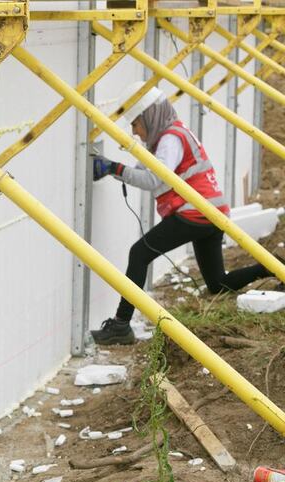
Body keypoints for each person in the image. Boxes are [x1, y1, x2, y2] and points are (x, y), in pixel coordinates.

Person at [90, 81, 282, 345]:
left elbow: (154, 181)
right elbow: (149, 172)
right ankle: (275, 269)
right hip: (210, 213)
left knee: (139, 253)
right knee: (217, 283)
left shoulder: (169, 139)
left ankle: (121, 325)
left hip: (196, 212)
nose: (134, 131)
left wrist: (113, 168)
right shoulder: (171, 135)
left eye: (136, 123)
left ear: (149, 116)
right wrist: (119, 168)